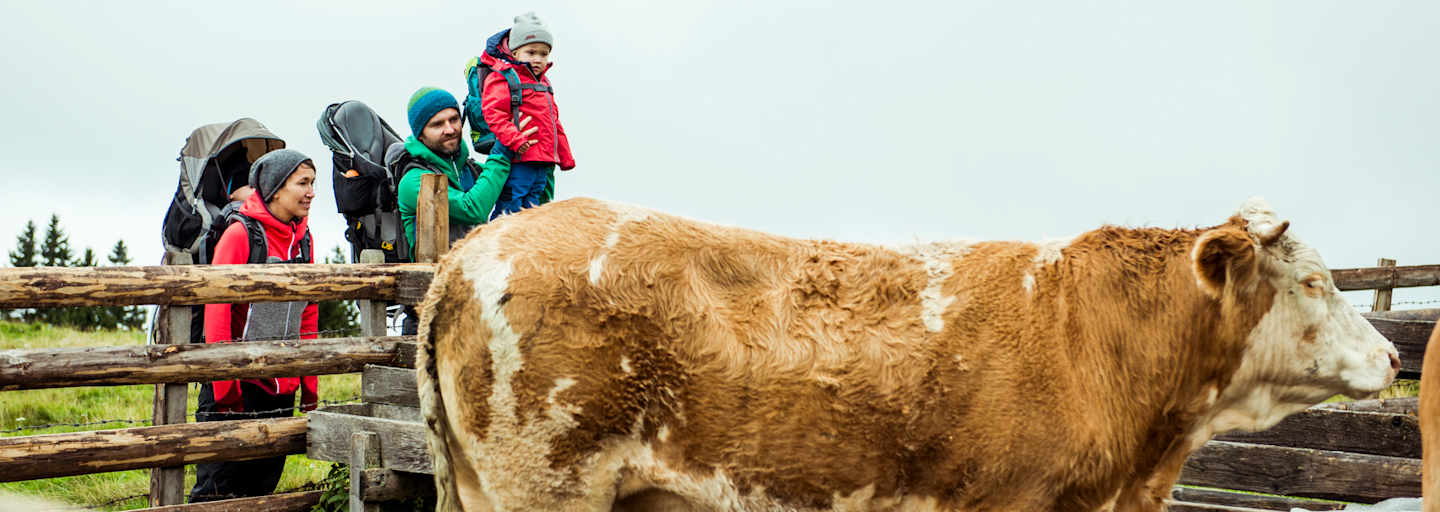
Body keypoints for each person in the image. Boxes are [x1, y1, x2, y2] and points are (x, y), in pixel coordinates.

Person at [189, 149, 320, 503]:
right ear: (275, 189)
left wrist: (308, 385)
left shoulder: (304, 240)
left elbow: (308, 313)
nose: (311, 193)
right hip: (236, 390)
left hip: (281, 389)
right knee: (216, 493)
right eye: (302, 183)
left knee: (262, 491)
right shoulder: (240, 234)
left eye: (313, 184)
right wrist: (225, 389)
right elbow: (217, 311)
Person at [395, 86, 539, 333]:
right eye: (437, 124)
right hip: (431, 315)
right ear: (420, 135)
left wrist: (537, 161)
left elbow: (525, 202)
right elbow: (473, 208)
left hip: (477, 306)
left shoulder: (471, 170)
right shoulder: (413, 180)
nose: (450, 129)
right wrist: (503, 150)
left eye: (454, 119)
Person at [479, 11, 575, 219]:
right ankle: (499, 237)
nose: (538, 59)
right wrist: (515, 139)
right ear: (515, 53)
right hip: (519, 159)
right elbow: (493, 114)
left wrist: (564, 155)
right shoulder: (504, 78)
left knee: (533, 211)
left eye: (543, 54)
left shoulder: (544, 84)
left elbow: (554, 123)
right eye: (531, 52)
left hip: (543, 162)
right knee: (511, 206)